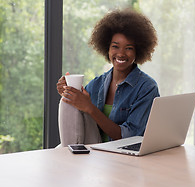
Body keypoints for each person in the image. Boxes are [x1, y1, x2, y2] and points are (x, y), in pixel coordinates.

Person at [56, 8, 159, 145]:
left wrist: (90, 108)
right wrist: (68, 92)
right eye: (115, 46)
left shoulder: (146, 88)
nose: (121, 54)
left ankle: (67, 156)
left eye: (128, 48)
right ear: (107, 48)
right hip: (93, 150)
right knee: (67, 101)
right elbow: (77, 121)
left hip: (121, 152)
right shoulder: (97, 84)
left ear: (138, 51)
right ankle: (67, 154)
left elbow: (130, 138)